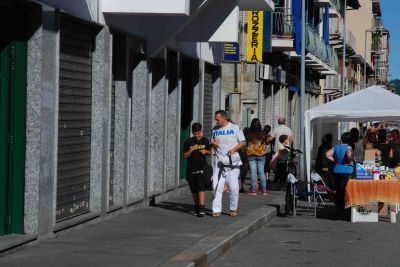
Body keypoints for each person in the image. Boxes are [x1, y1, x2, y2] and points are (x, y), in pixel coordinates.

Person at [211, 110, 246, 218]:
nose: (216, 122)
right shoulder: (215, 130)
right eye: (215, 120)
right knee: (216, 186)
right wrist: (213, 145)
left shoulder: (235, 128)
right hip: (219, 162)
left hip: (233, 163)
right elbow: (213, 144)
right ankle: (216, 210)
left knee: (234, 187)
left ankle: (233, 208)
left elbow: (243, 142)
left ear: (224, 118)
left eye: (217, 119)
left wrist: (234, 149)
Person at [182, 123, 211, 217]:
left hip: (201, 168)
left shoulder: (205, 140)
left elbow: (210, 151)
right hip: (191, 169)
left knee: (201, 187)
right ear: (192, 132)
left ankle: (202, 208)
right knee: (194, 189)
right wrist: (192, 149)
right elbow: (185, 156)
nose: (197, 135)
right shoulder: (188, 142)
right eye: (195, 133)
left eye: (198, 133)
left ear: (201, 131)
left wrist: (206, 151)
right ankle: (196, 207)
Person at [326, 132, 353, 210]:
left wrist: (335, 160)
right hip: (347, 170)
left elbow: (327, 154)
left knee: (338, 188)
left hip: (337, 169)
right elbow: (349, 155)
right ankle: (342, 205)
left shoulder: (336, 146)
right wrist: (348, 161)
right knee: (344, 188)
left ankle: (338, 204)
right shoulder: (349, 147)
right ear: (349, 140)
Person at [246, 118, 268, 196]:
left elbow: (246, 141)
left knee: (253, 172)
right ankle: (264, 191)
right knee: (261, 172)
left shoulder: (248, 132)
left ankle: (253, 190)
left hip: (251, 154)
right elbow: (266, 142)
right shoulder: (263, 133)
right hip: (261, 154)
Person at [239, 127, 250, 193]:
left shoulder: (241, 139)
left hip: (242, 155)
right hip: (249, 156)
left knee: (242, 171)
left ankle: (242, 185)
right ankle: (254, 186)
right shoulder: (251, 139)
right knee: (250, 171)